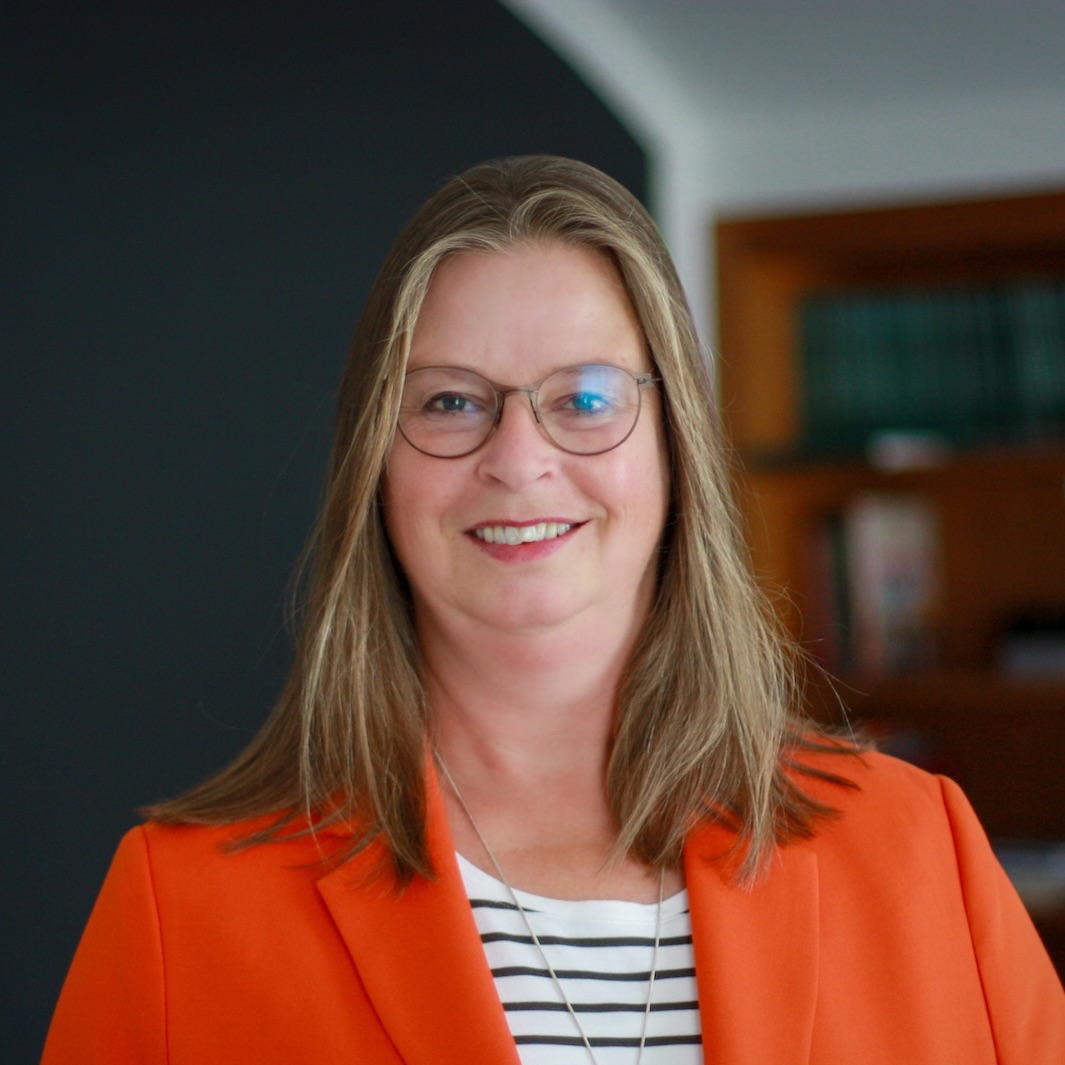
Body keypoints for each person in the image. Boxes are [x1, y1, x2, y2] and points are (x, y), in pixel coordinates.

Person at [43, 155, 1064, 1064]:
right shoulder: (178, 904)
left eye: (584, 397)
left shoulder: (921, 850)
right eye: (450, 401)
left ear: (674, 444)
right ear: (373, 462)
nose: (519, 459)